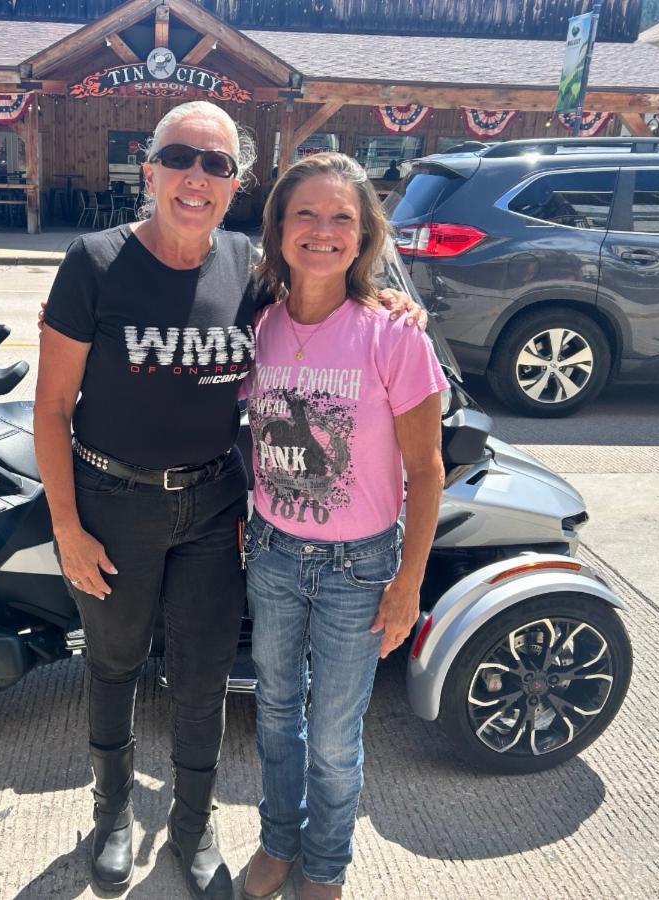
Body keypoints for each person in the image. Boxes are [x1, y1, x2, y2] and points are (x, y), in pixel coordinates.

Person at [35, 101, 424, 899]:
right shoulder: (95, 262)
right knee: (114, 664)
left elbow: (326, 288)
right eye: (181, 157)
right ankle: (113, 814)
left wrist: (390, 297)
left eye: (216, 164)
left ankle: (191, 822)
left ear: (235, 182)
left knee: (204, 673)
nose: (196, 176)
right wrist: (66, 525)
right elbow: (51, 408)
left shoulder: (247, 266)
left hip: (214, 505)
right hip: (113, 499)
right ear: (150, 169)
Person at [239, 152, 447, 900]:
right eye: (305, 213)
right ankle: (277, 839)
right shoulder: (258, 325)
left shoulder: (394, 334)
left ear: (364, 236)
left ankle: (325, 865)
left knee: (333, 733)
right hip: (272, 552)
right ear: (278, 227)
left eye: (341, 218)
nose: (322, 230)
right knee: (274, 711)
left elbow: (426, 469)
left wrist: (408, 583)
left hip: (359, 567)